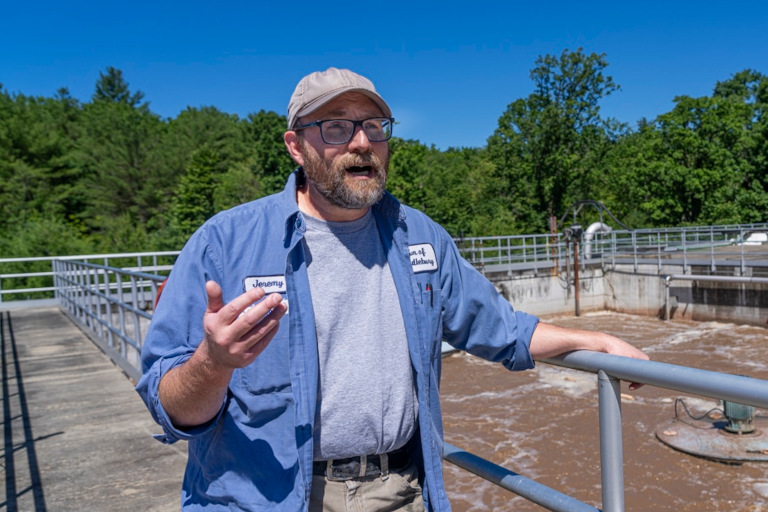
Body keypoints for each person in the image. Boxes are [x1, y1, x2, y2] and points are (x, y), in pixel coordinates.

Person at [136, 67, 648, 512]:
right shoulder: (226, 244)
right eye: (335, 127)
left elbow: (499, 328)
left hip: (396, 492)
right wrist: (215, 362)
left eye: (374, 126)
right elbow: (172, 407)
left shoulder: (418, 235)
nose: (361, 142)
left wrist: (593, 341)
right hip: (263, 497)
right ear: (295, 146)